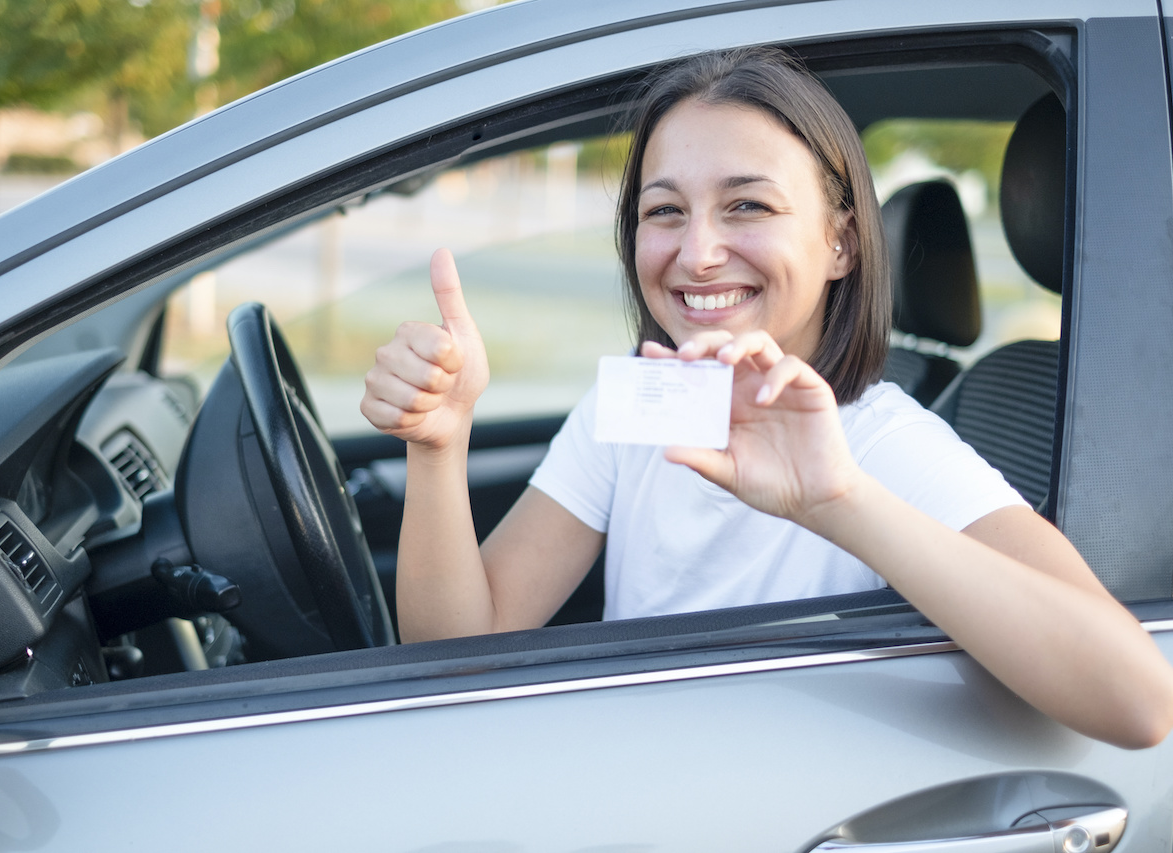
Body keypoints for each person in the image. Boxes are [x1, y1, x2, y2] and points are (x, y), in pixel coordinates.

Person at [359, 48, 1173, 748]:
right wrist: (439, 445)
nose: (698, 253)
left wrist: (837, 499)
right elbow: (457, 661)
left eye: (747, 205)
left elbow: (1138, 700)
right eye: (664, 211)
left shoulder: (881, 441)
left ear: (841, 242)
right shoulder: (642, 407)